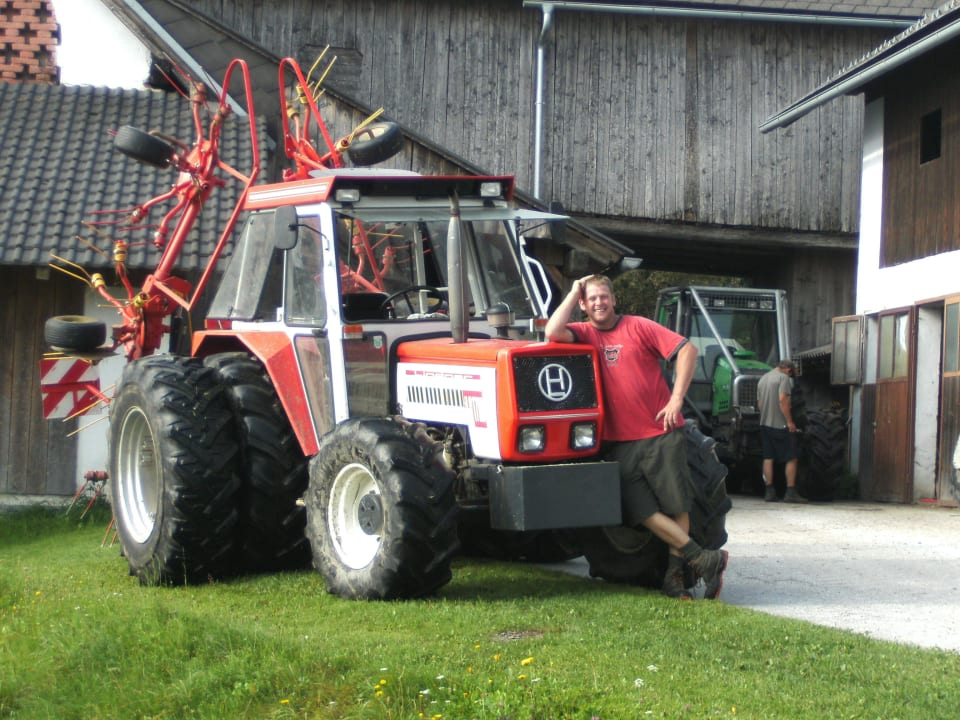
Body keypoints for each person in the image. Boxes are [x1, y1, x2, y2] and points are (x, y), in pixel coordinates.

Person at [545, 274, 728, 600]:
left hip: (659, 432)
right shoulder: (585, 333)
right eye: (592, 299)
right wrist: (574, 291)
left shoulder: (639, 326)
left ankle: (675, 578)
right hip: (619, 441)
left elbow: (686, 350)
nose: (599, 303)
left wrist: (676, 399)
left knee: (676, 505)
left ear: (614, 300)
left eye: (604, 296)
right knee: (639, 511)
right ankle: (703, 558)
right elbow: (552, 331)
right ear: (585, 306)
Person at [756, 359, 805, 503]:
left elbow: (760, 404)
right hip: (781, 425)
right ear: (789, 370)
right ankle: (790, 492)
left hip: (764, 424)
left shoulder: (763, 379)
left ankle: (769, 491)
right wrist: (790, 422)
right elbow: (783, 399)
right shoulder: (783, 379)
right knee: (791, 457)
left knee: (768, 458)